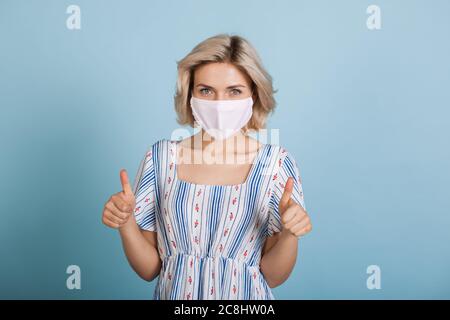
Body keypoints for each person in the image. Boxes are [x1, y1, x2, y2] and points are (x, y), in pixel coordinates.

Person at [101, 33, 312, 300]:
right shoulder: (161, 158)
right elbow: (150, 269)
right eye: (206, 90)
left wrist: (290, 235)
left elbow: (272, 276)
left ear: (254, 95)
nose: (219, 104)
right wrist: (126, 222)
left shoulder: (277, 164)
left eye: (234, 91)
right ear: (190, 94)